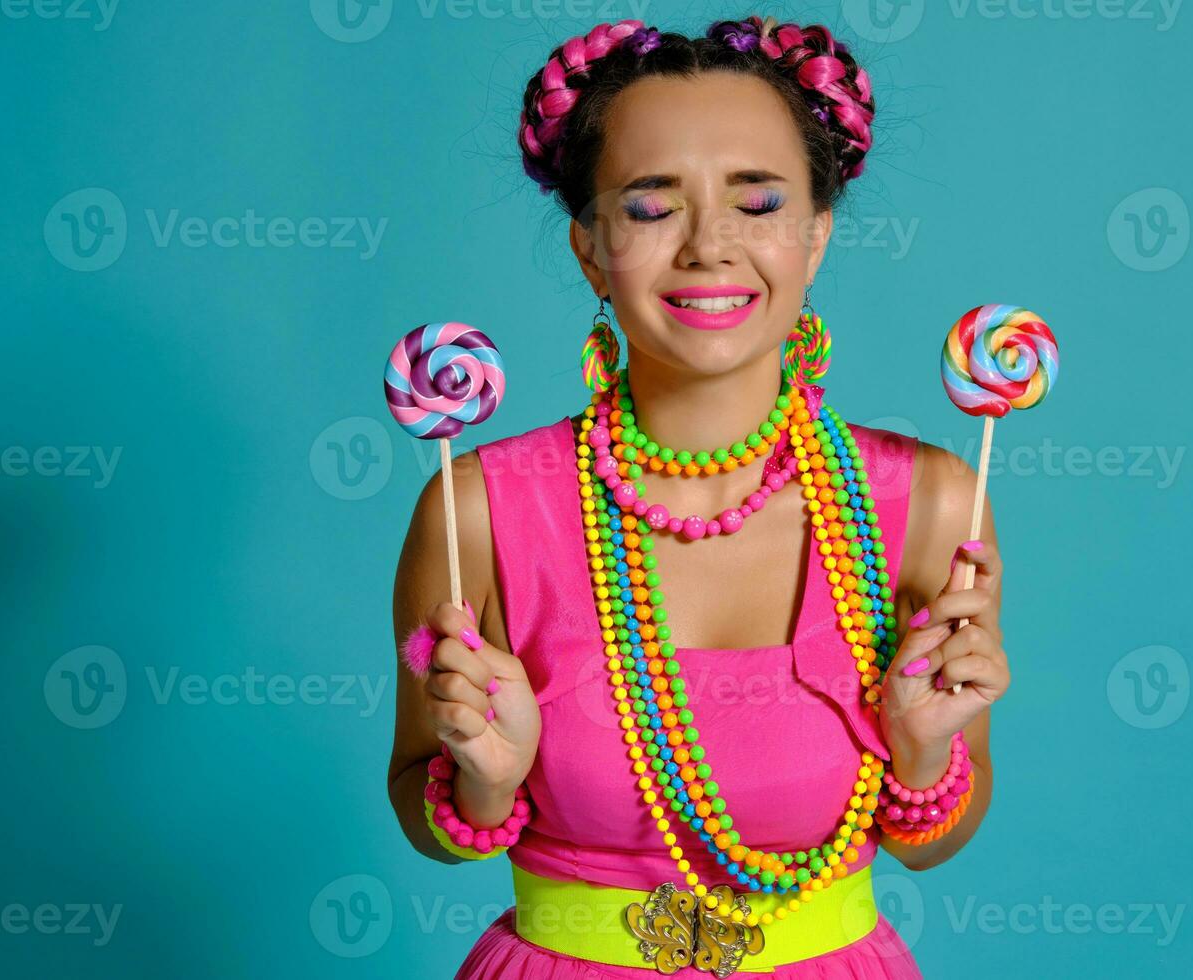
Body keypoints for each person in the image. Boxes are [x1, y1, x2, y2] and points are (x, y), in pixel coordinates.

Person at [388, 16, 1011, 977]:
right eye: (649, 208)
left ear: (814, 237)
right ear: (591, 248)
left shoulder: (929, 501)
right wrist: (485, 783)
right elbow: (423, 819)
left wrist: (924, 749)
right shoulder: (477, 511)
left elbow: (930, 840)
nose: (710, 247)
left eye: (758, 202)